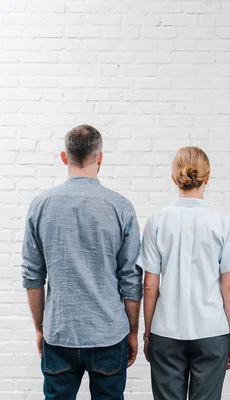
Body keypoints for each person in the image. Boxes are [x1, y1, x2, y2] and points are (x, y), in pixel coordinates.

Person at [21, 125, 142, 399]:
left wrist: (40, 328)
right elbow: (131, 280)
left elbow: (32, 276)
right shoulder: (120, 207)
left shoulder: (41, 205)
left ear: (65, 157)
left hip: (60, 331)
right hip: (109, 334)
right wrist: (133, 332)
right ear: (100, 157)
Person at [139, 147, 230, 400]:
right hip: (212, 331)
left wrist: (148, 333)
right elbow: (229, 287)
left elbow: (150, 285)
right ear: (208, 177)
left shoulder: (157, 221)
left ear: (174, 178)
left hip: (166, 331)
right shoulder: (223, 223)